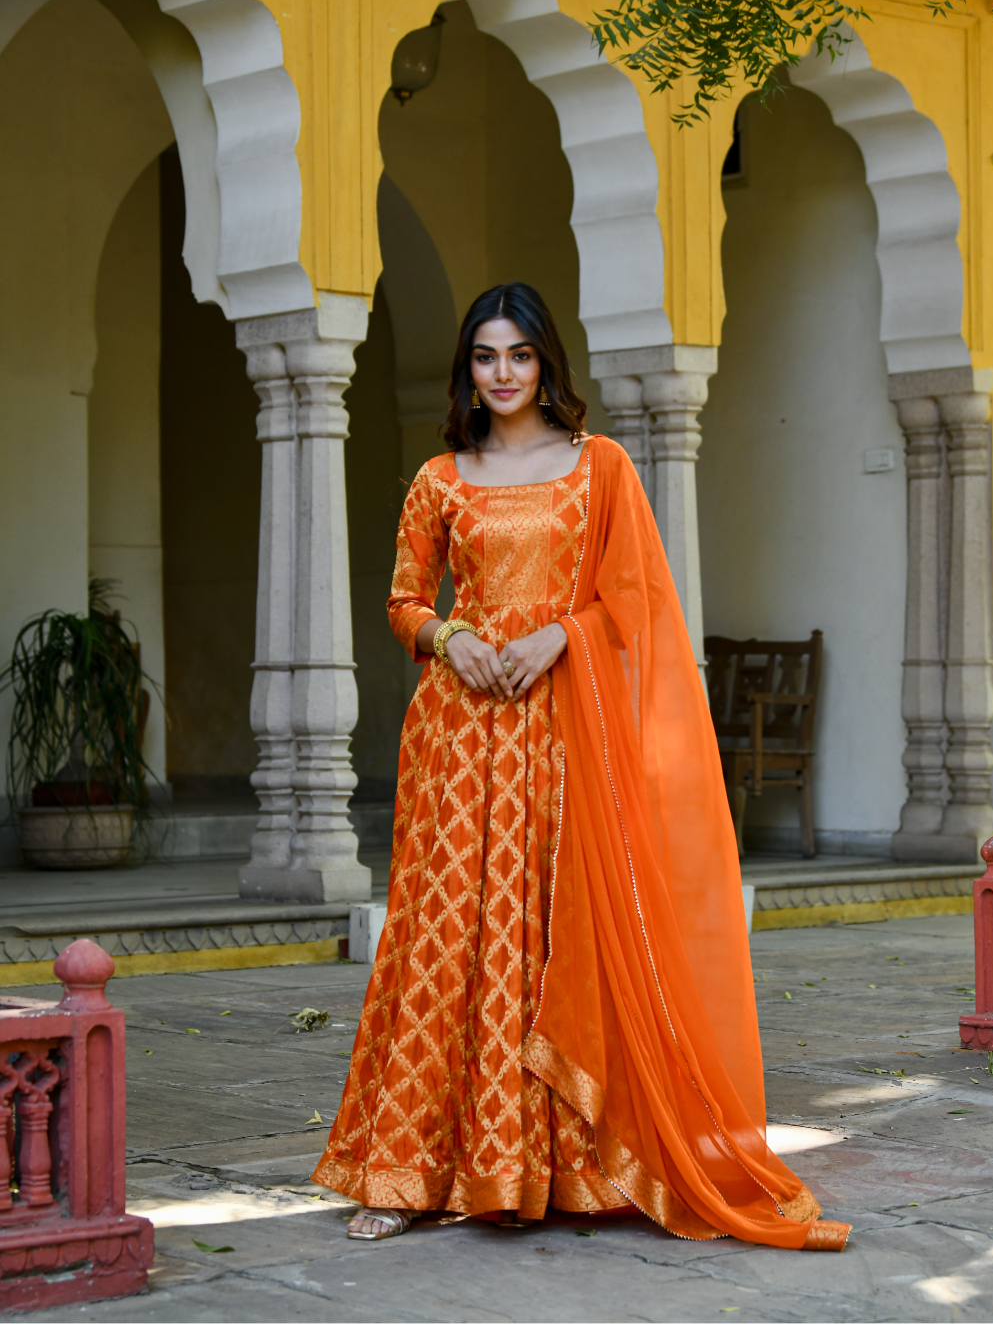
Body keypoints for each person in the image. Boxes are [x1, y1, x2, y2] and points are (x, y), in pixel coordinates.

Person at [313, 282, 849, 1251]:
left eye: (520, 354)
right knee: (444, 941)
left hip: (562, 733)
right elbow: (401, 598)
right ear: (466, 369)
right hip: (458, 742)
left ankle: (570, 1164)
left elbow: (634, 596)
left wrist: (563, 630)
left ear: (546, 363)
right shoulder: (440, 476)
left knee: (553, 934)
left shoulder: (597, 465)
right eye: (486, 355)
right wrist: (448, 634)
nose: (504, 372)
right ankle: (408, 1169)